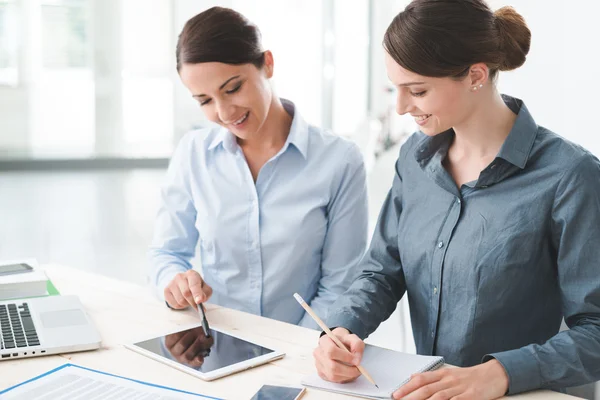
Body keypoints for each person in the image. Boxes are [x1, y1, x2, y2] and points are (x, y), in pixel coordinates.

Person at [313, 0, 600, 398]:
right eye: (395, 89)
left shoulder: (570, 175)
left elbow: (596, 332)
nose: (400, 107)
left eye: (417, 90)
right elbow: (382, 270)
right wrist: (342, 328)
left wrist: (499, 373)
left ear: (476, 75)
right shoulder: (414, 159)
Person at [147, 7, 368, 329]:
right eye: (205, 101)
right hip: (217, 341)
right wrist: (175, 283)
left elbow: (339, 284)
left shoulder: (339, 161)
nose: (223, 112)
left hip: (303, 346)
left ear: (268, 64)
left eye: (233, 88)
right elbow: (165, 254)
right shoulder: (193, 154)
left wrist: (293, 350)